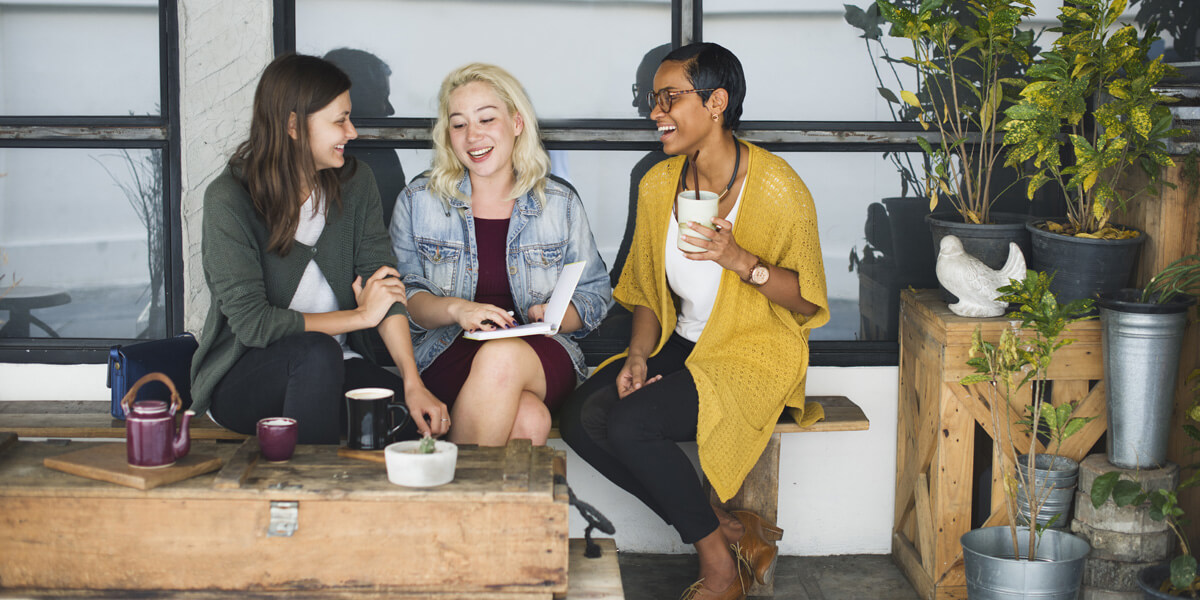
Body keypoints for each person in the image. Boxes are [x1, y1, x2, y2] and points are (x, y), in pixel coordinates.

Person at [558, 43, 829, 600]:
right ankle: (728, 528)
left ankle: (720, 566)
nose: (655, 113)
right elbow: (645, 292)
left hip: (755, 353)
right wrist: (637, 354)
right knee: (584, 418)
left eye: (669, 98)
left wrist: (742, 261)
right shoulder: (660, 184)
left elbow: (807, 301)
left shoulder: (778, 188)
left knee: (633, 425)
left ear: (716, 102)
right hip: (684, 346)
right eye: (652, 100)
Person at [190, 53, 444, 445]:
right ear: (294, 125)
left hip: (337, 368)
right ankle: (309, 496)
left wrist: (413, 382)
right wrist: (360, 318)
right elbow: (255, 324)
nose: (353, 132)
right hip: (245, 378)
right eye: (340, 120)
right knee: (316, 354)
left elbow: (387, 289)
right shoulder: (229, 199)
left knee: (417, 424)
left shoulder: (356, 184)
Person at [390, 63, 611, 447]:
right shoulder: (418, 201)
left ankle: (444, 497)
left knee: (502, 356)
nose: (472, 135)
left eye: (486, 119)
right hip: (448, 349)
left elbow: (595, 293)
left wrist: (558, 314)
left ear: (516, 124)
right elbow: (405, 299)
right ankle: (477, 506)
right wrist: (457, 309)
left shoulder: (558, 202)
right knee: (529, 420)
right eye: (458, 124)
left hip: (540, 354)